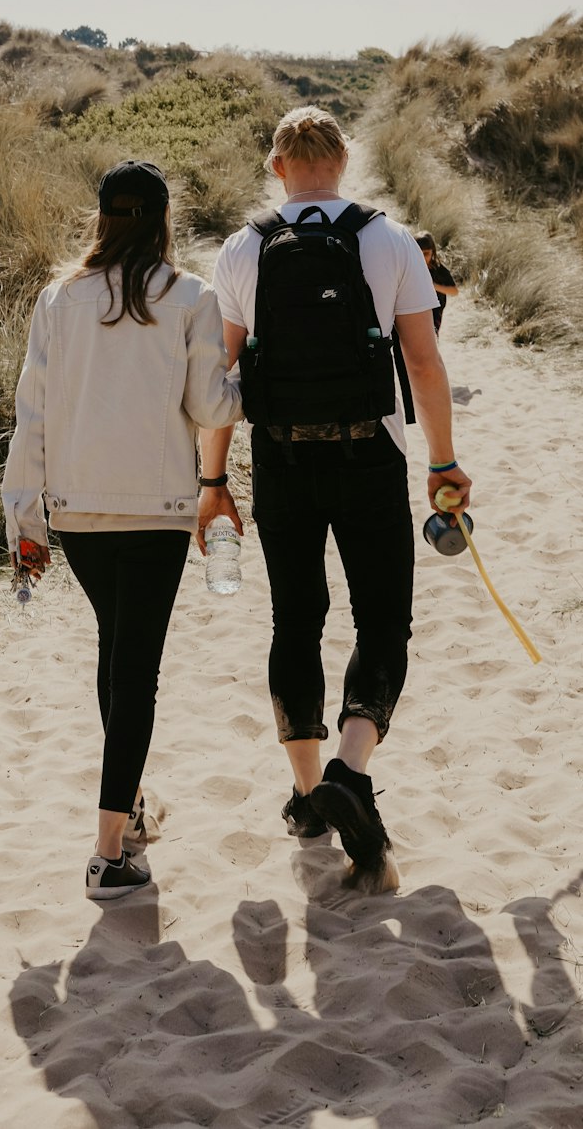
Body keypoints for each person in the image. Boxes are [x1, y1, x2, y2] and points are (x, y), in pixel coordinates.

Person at [198, 107, 472, 882]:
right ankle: (352, 768)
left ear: (276, 165)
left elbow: (222, 387)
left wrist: (214, 484)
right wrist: (442, 464)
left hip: (282, 460)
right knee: (383, 615)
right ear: (343, 161)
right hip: (370, 456)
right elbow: (422, 365)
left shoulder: (242, 247)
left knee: (296, 619)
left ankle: (309, 791)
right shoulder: (387, 240)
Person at [2, 160, 244, 900]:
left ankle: (131, 808)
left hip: (77, 514)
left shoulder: (58, 299)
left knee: (118, 654)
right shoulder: (191, 298)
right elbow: (213, 410)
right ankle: (109, 853)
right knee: (136, 671)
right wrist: (244, 372)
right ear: (164, 220)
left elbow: (32, 415)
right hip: (156, 512)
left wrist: (25, 521)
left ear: (102, 219)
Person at [415, 231, 459, 334]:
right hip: (415, 310)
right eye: (418, 253)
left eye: (426, 254)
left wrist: (433, 286)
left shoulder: (439, 270)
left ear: (433, 252)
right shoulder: (410, 268)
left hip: (435, 311)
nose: (422, 257)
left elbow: (454, 291)